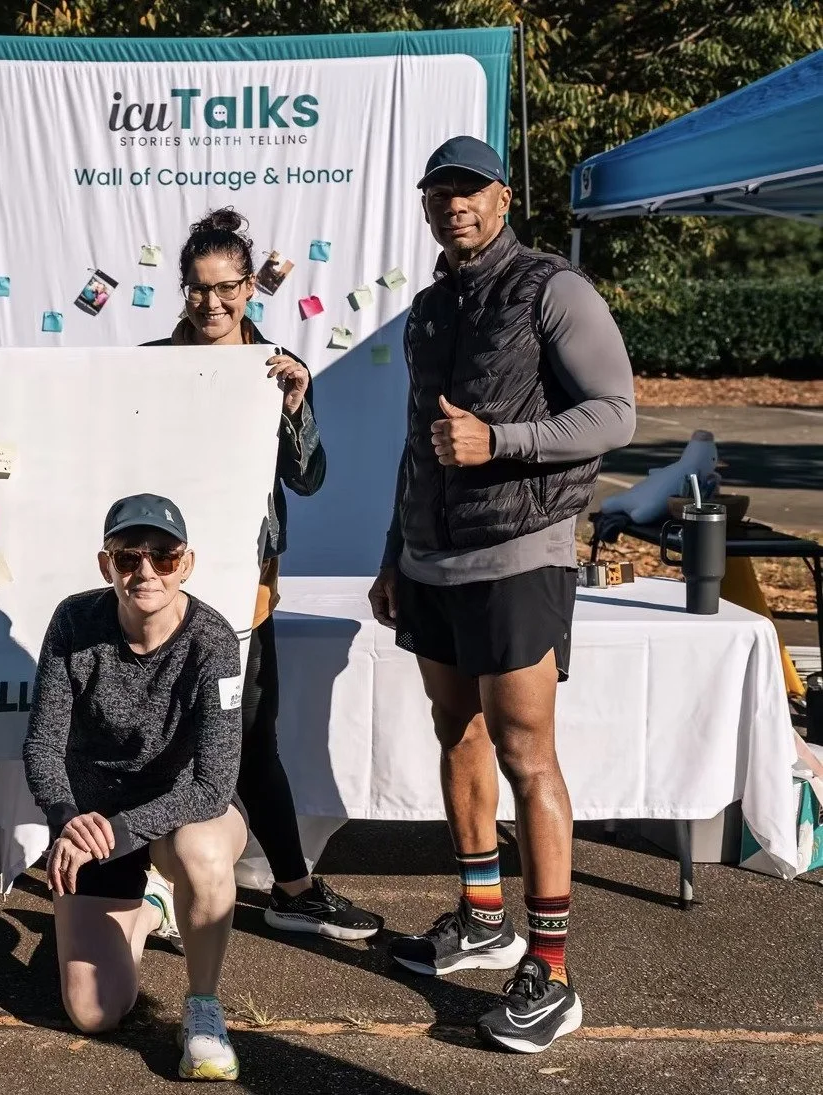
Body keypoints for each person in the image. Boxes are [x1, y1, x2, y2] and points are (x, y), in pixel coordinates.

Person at [370, 136, 635, 1052]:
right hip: (432, 558)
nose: (455, 206)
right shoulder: (430, 307)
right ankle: (483, 918)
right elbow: (420, 442)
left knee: (528, 755)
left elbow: (614, 412)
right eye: (438, 192)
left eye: (470, 191)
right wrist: (393, 550)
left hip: (521, 551)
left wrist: (503, 441)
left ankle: (553, 973)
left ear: (502, 195)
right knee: (457, 732)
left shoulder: (553, 288)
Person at [146, 209, 381, 940]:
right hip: (161, 589)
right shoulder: (152, 362)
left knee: (249, 734)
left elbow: (308, 478)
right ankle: (150, 886)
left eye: (226, 288)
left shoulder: (273, 365)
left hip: (247, 592)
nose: (211, 303)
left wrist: (296, 404)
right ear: (183, 290)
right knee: (157, 731)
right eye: (196, 289)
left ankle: (291, 886)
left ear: (250, 287)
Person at [23, 495, 247, 1082]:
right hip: (95, 822)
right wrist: (67, 817)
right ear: (106, 566)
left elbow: (213, 785)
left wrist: (118, 834)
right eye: (128, 557)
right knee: (94, 1013)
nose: (145, 572)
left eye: (164, 557)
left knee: (201, 850)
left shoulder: (215, 641)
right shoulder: (75, 621)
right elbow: (43, 746)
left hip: (184, 813)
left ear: (187, 564)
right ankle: (151, 909)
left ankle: (202, 1009)